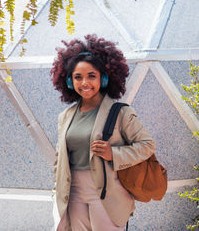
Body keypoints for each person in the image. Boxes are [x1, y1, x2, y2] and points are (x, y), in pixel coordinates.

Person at [51, 34, 155, 231]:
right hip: (73, 194)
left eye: (92, 75)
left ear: (104, 78)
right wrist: (57, 187)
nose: (85, 83)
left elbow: (147, 145)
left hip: (107, 193)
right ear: (70, 81)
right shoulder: (65, 116)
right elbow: (60, 157)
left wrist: (113, 154)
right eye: (78, 77)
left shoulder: (120, 113)